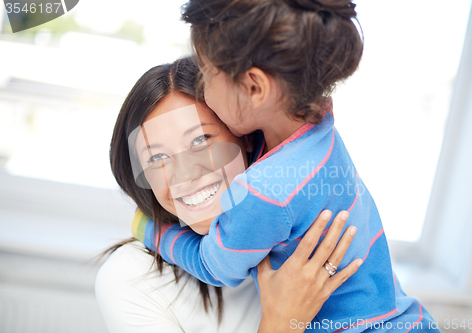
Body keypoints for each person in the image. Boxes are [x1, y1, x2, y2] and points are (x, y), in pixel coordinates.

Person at [135, 0, 441, 332]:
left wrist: (152, 230)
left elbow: (214, 266)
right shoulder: (322, 122)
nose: (202, 91)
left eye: (207, 75)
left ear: (254, 87)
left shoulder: (262, 193)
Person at [96, 57, 362, 333]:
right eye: (158, 157)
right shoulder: (129, 276)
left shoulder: (303, 223)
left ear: (244, 135)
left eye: (201, 140)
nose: (185, 173)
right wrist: (282, 323)